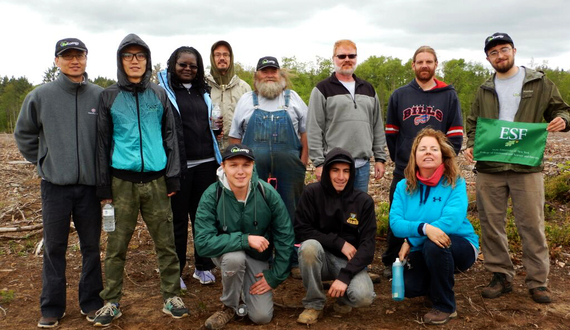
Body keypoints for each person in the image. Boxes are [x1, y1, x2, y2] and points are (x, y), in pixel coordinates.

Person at [465, 32, 570, 304]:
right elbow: (474, 123)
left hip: (527, 165)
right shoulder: (484, 88)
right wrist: (470, 144)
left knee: (532, 225)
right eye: (493, 52)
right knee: (491, 224)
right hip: (490, 166)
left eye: (504, 49)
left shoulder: (539, 81)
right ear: (487, 58)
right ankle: (500, 274)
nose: (500, 56)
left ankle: (538, 281)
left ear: (513, 50)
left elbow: (563, 110)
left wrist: (562, 120)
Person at [94, 33, 188, 326]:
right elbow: (101, 143)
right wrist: (103, 186)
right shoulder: (108, 96)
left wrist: (173, 178)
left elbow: (171, 136)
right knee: (116, 245)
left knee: (166, 242)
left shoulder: (159, 94)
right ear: (120, 61)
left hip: (157, 181)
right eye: (128, 55)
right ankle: (111, 301)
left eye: (140, 55)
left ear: (147, 60)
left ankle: (171, 296)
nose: (134, 61)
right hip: (121, 182)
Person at [14, 38, 104, 328]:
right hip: (55, 187)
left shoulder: (100, 96)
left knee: (91, 246)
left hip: (90, 188)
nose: (74, 61)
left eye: (79, 55)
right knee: (55, 248)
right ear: (57, 61)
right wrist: (43, 162)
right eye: (67, 56)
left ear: (87, 59)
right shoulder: (40, 96)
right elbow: (24, 134)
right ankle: (52, 307)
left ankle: (92, 303)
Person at [382, 46, 464, 278]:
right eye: (420, 62)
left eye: (429, 61)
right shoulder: (400, 95)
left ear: (436, 64)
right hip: (405, 169)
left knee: (434, 211)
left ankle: (428, 257)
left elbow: (456, 133)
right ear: (413, 65)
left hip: (438, 170)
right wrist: (402, 159)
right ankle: (392, 259)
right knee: (399, 214)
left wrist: (446, 163)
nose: (424, 65)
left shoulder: (448, 95)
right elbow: (391, 132)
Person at [194, 144, 294, 329]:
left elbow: (285, 236)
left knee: (262, 316)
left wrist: (275, 276)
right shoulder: (211, 195)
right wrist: (245, 239)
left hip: (258, 257)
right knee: (235, 258)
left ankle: (244, 293)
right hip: (226, 254)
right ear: (223, 166)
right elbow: (202, 243)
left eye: (246, 165)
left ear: (253, 166)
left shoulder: (266, 193)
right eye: (233, 165)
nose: (240, 171)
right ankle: (229, 306)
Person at [390, 128, 479, 325]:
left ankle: (445, 305)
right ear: (414, 156)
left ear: (442, 155)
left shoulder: (455, 182)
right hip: (423, 245)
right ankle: (435, 284)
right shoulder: (403, 187)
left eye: (434, 149)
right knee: (410, 287)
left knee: (434, 245)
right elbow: (396, 224)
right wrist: (423, 229)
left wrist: (412, 238)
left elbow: (452, 221)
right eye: (422, 149)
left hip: (460, 244)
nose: (428, 152)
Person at [157, 46, 221, 288]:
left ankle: (203, 266)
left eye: (193, 65)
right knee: (177, 221)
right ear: (173, 64)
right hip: (179, 167)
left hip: (207, 165)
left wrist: (216, 129)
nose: (187, 69)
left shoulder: (202, 92)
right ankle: (176, 271)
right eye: (183, 64)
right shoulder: (164, 92)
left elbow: (208, 126)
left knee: (203, 218)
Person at [294, 147, 376, 325]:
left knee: (364, 297)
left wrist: (345, 276)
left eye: (346, 171)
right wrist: (339, 243)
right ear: (327, 171)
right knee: (308, 247)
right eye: (335, 170)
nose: (341, 177)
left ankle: (342, 298)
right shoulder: (311, 193)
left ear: (352, 173)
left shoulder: (363, 201)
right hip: (318, 259)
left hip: (346, 263)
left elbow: (368, 247)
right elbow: (301, 230)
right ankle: (314, 304)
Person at [229, 56, 308, 223]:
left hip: (291, 171)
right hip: (254, 172)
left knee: (291, 213)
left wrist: (303, 161)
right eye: (265, 72)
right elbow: (235, 138)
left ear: (280, 74)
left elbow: (306, 132)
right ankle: (260, 247)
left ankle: (289, 248)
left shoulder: (293, 98)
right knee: (255, 211)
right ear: (257, 75)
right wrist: (236, 167)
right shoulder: (246, 100)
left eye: (274, 71)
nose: (270, 75)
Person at [307, 39, 387, 193]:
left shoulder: (369, 89)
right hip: (334, 166)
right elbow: (314, 128)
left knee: (356, 211)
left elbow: (377, 126)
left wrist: (380, 159)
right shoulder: (322, 89)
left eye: (351, 56)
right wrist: (318, 163)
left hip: (362, 166)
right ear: (334, 59)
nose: (347, 60)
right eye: (342, 56)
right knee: (332, 209)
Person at [206, 40, 252, 149]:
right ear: (212, 58)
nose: (222, 58)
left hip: (236, 150)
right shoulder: (202, 86)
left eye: (225, 54)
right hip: (209, 150)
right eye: (217, 55)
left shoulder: (244, 88)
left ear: (231, 58)